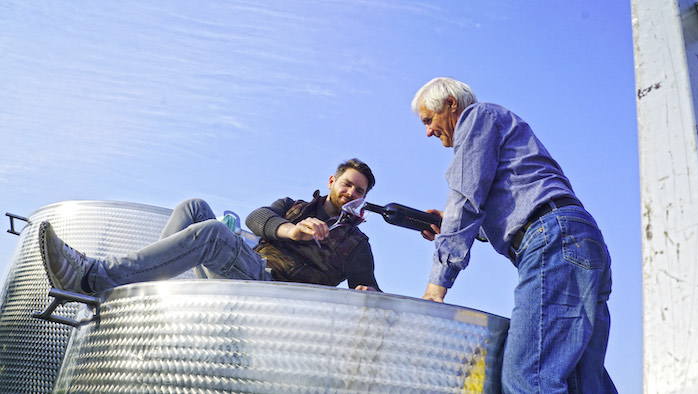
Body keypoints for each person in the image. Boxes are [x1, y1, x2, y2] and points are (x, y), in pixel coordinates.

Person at [411, 77, 615, 393]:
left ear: (451, 104)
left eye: (428, 119)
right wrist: (464, 228)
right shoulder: (501, 126)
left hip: (552, 239)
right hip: (578, 240)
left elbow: (465, 200)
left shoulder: (476, 118)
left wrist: (436, 287)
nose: (427, 131)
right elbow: (508, 202)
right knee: (582, 383)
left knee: (527, 379)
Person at [39, 158, 380, 294]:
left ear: (361, 199)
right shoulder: (293, 207)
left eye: (358, 191)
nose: (350, 192)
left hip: (276, 294)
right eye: (347, 183)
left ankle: (93, 278)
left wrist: (368, 293)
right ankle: (142, 290)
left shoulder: (357, 243)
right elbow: (254, 219)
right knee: (194, 207)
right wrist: (291, 229)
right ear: (333, 180)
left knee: (216, 234)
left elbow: (366, 287)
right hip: (248, 269)